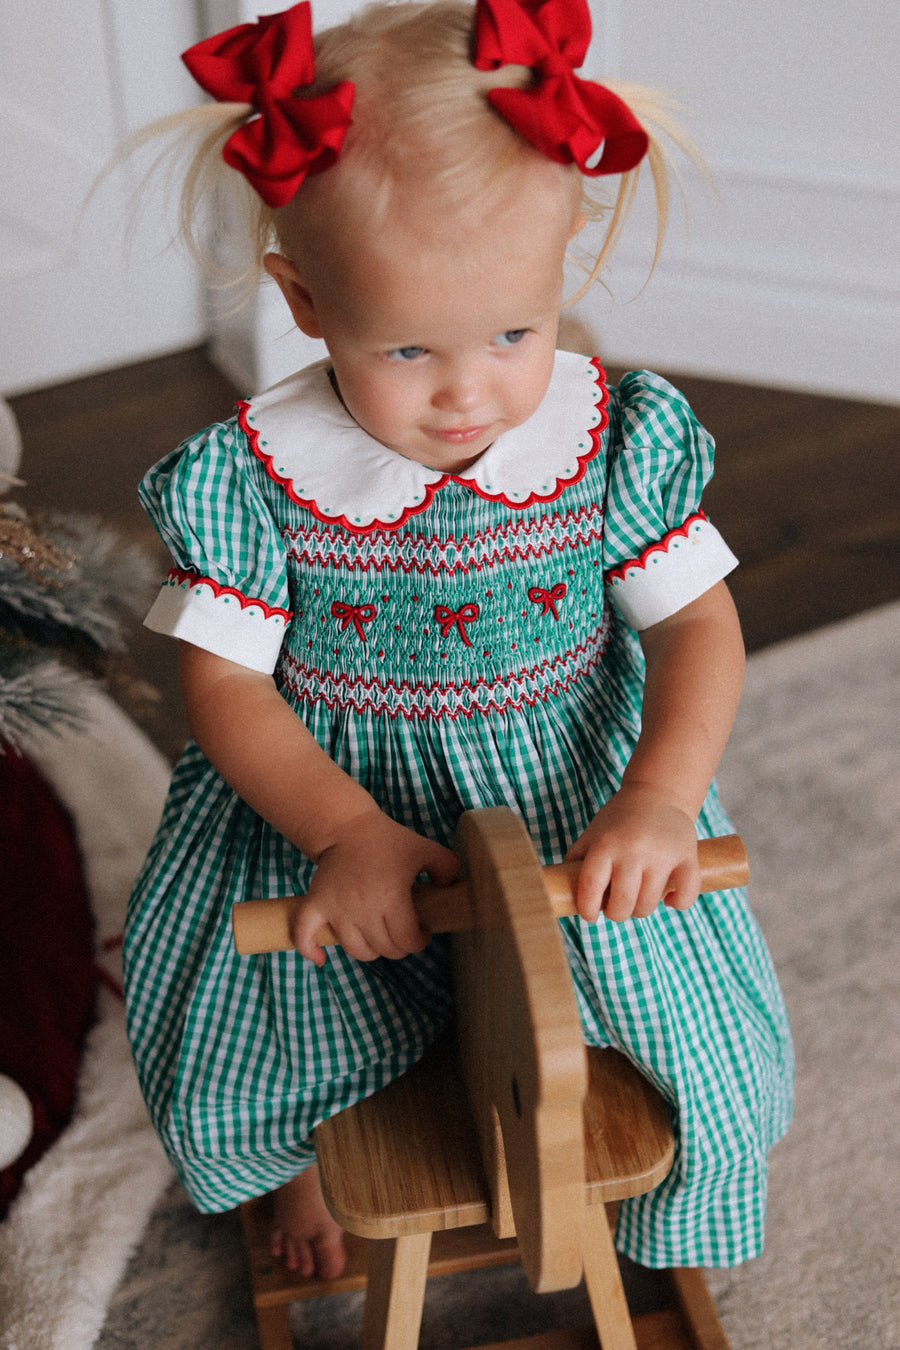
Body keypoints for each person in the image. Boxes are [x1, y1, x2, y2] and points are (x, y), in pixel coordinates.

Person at [124, 0, 793, 1283]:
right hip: (335, 787)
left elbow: (699, 625)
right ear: (305, 300)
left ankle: (665, 1177)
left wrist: (658, 796)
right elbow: (222, 681)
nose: (467, 391)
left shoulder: (610, 440)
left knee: (700, 1029)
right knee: (273, 998)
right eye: (408, 347)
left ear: (558, 291)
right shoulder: (259, 478)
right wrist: (344, 833)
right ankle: (307, 1165)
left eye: (511, 333)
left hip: (569, 784)